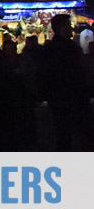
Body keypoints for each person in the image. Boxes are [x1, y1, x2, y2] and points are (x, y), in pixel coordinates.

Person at [39, 14, 92, 151]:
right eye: (69, 26)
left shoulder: (48, 49)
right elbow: (77, 73)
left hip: (57, 97)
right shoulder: (69, 48)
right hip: (73, 97)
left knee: (62, 134)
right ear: (63, 27)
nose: (72, 29)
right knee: (81, 133)